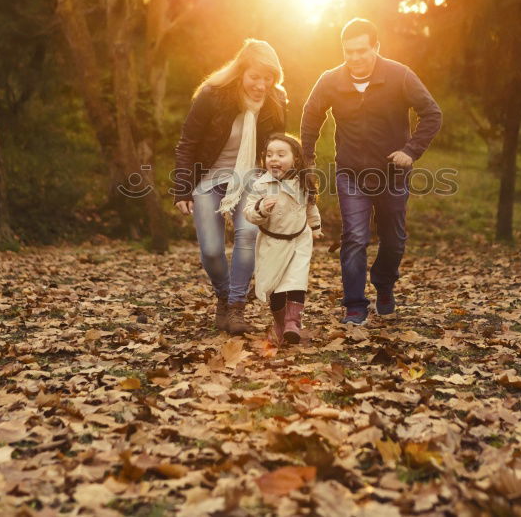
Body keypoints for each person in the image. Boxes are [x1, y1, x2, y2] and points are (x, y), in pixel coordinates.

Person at [300, 18, 442, 325]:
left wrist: (410, 151)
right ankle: (355, 304)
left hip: (392, 174)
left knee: (395, 240)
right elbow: (310, 116)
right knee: (355, 237)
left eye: (361, 50)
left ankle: (383, 282)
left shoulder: (399, 76)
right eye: (348, 51)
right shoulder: (330, 80)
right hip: (350, 173)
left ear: (376, 47)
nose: (354, 58)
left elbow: (432, 113)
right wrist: (307, 157)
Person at [174, 39, 287, 335]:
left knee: (247, 234)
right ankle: (224, 296)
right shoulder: (212, 96)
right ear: (240, 73)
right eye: (255, 77)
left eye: (268, 78)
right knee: (211, 251)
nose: (261, 85)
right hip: (209, 178)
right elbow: (187, 144)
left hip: (250, 179)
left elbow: (278, 149)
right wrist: (182, 188)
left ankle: (236, 308)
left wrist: (278, 187)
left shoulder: (276, 101)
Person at [244, 134, 323, 346]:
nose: (274, 159)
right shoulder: (261, 185)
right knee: (275, 286)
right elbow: (249, 212)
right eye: (269, 155)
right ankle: (280, 324)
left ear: (295, 159)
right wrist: (261, 208)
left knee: (296, 280)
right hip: (272, 243)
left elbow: (310, 205)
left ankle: (293, 323)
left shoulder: (303, 181)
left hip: (299, 240)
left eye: (281, 154)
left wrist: (315, 227)